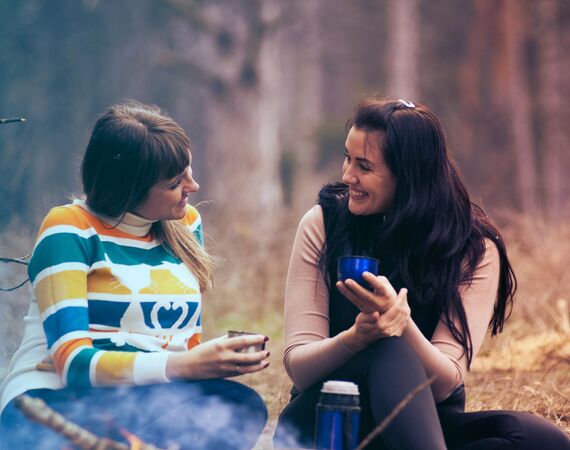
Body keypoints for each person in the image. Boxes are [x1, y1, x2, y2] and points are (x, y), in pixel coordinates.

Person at [274, 98, 570, 449]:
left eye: (364, 166)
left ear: (409, 176)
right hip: (328, 420)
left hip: (424, 424)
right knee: (388, 352)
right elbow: (300, 367)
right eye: (347, 158)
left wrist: (402, 324)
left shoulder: (473, 248)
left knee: (542, 439)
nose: (347, 175)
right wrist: (356, 338)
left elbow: (446, 382)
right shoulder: (324, 224)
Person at [0, 102, 270, 450]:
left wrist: (211, 363)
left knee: (240, 406)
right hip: (55, 401)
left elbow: (182, 341)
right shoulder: (69, 229)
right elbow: (75, 367)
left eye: (188, 170)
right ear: (129, 189)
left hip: (145, 398)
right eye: (176, 182)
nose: (194, 186)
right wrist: (185, 365)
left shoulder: (185, 225)